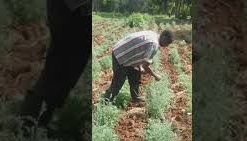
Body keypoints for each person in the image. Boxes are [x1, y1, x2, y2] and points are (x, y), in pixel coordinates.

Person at [19, 0, 90, 133]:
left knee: (64, 73)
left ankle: (36, 128)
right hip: (74, 11)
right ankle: (27, 130)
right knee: (58, 72)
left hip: (74, 10)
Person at [104, 30, 174, 103]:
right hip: (120, 55)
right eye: (168, 43)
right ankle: (107, 100)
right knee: (119, 80)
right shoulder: (154, 44)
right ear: (164, 37)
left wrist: (139, 66)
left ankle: (135, 97)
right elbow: (145, 66)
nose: (167, 46)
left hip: (125, 52)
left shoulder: (153, 34)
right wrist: (155, 75)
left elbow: (139, 52)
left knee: (136, 73)